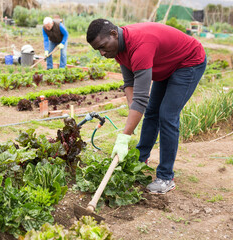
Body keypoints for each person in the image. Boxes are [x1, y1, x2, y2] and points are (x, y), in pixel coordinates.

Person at [86, 19, 206, 194]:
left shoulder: (140, 45)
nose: (102, 53)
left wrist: (125, 136)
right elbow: (129, 83)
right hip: (167, 65)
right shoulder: (118, 48)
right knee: (151, 113)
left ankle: (166, 177)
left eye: (103, 46)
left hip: (188, 62)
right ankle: (141, 159)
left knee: (167, 115)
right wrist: (132, 113)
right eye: (98, 50)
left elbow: (142, 97)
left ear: (113, 34)